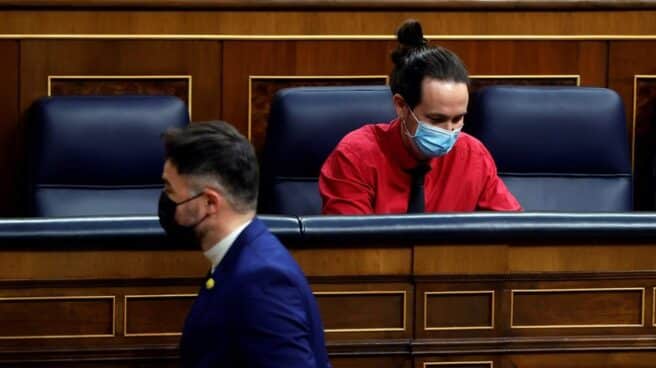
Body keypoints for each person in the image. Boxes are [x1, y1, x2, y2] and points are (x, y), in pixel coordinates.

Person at [158, 121, 331, 368]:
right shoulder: (237, 257)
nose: (166, 200)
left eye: (170, 190)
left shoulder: (262, 280)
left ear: (209, 202)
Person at [319, 20, 521, 214]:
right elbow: (351, 245)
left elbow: (514, 233)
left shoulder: (472, 155)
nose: (449, 130)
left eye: (457, 118)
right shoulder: (355, 156)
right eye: (436, 119)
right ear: (401, 107)